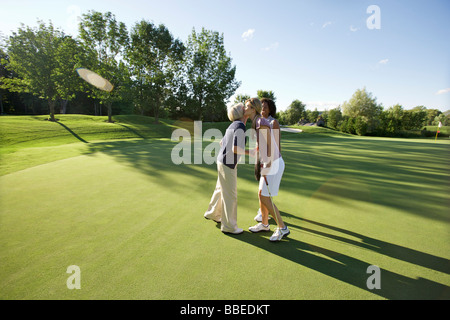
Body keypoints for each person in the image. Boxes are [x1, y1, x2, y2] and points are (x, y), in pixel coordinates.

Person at [244, 98, 289, 242]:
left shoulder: (260, 122)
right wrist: (242, 151)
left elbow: (269, 145)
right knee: (261, 194)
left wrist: (267, 164)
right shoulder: (257, 122)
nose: (244, 109)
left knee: (265, 197)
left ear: (253, 109)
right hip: (270, 162)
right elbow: (259, 147)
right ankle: (264, 224)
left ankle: (282, 228)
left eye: (247, 107)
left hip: (273, 163)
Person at [204, 103, 248, 234]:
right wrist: (251, 152)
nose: (246, 108)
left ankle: (212, 213)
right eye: (243, 108)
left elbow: (222, 142)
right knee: (230, 195)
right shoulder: (240, 125)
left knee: (220, 189)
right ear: (241, 113)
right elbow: (235, 148)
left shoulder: (233, 124)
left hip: (221, 161)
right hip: (227, 164)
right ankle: (229, 226)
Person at [254, 98, 281, 223]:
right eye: (261, 107)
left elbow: (276, 143)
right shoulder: (259, 121)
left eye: (265, 107)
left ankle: (264, 213)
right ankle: (263, 211)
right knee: (260, 183)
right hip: (260, 156)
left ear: (270, 109)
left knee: (265, 186)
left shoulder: (273, 122)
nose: (263, 109)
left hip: (271, 157)